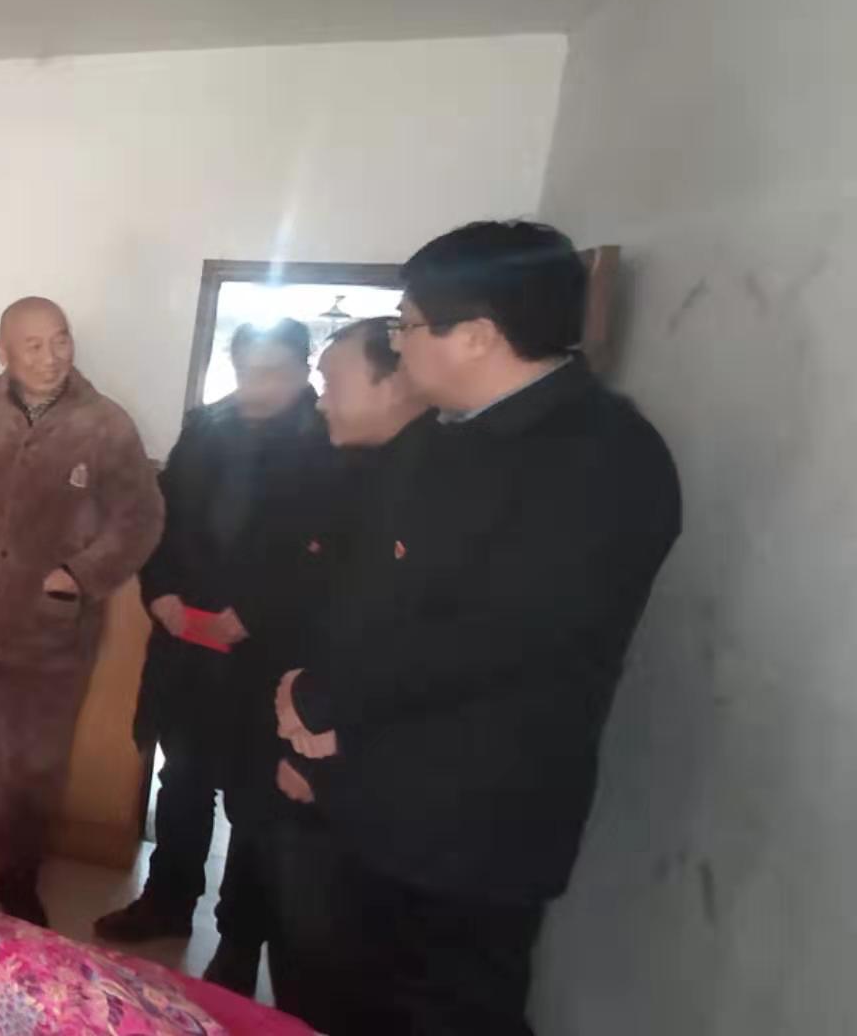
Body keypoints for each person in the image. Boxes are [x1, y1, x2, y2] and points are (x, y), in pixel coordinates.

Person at [275, 221, 682, 1035]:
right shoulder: (441, 439)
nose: (399, 344)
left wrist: (323, 701)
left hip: (470, 826)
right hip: (370, 794)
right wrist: (313, 716)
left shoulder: (601, 458)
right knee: (340, 997)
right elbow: (370, 594)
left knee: (448, 1012)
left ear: (476, 335)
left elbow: (494, 640)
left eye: (407, 325)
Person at [0, 296, 165, 925]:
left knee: (34, 764)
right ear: (3, 352)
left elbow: (141, 517)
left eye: (60, 340)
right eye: (34, 345)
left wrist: (81, 575)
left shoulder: (106, 425)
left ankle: (16, 877)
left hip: (51, 631)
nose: (51, 356)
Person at [94, 320, 337, 997]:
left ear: (303, 369)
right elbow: (160, 523)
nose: (257, 387)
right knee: (181, 781)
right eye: (248, 371)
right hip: (187, 645)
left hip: (269, 659)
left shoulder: (327, 440)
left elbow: (325, 557)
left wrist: (254, 613)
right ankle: (166, 901)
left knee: (255, 804)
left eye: (274, 372)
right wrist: (161, 594)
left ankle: (238, 940)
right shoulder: (205, 428)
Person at [244, 316, 433, 1034]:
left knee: (335, 960)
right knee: (310, 947)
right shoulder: (368, 468)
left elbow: (391, 640)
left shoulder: (430, 485)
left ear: (396, 382)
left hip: (346, 762)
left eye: (332, 382)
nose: (321, 400)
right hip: (312, 733)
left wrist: (313, 754)